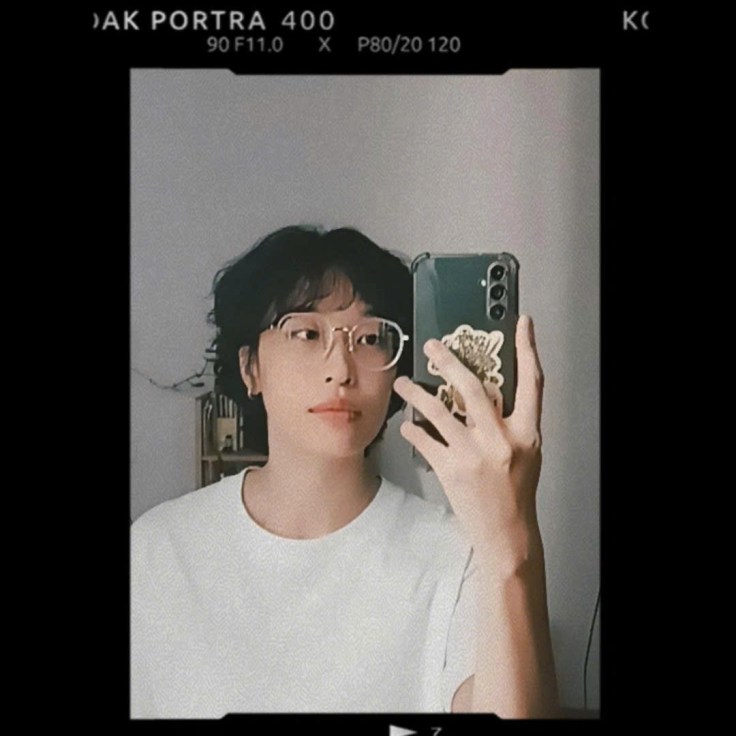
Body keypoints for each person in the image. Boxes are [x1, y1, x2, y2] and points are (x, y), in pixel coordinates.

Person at [130, 225, 559, 718]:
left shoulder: (459, 555)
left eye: (370, 338)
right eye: (306, 333)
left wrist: (511, 537)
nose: (341, 369)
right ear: (250, 368)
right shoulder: (157, 550)